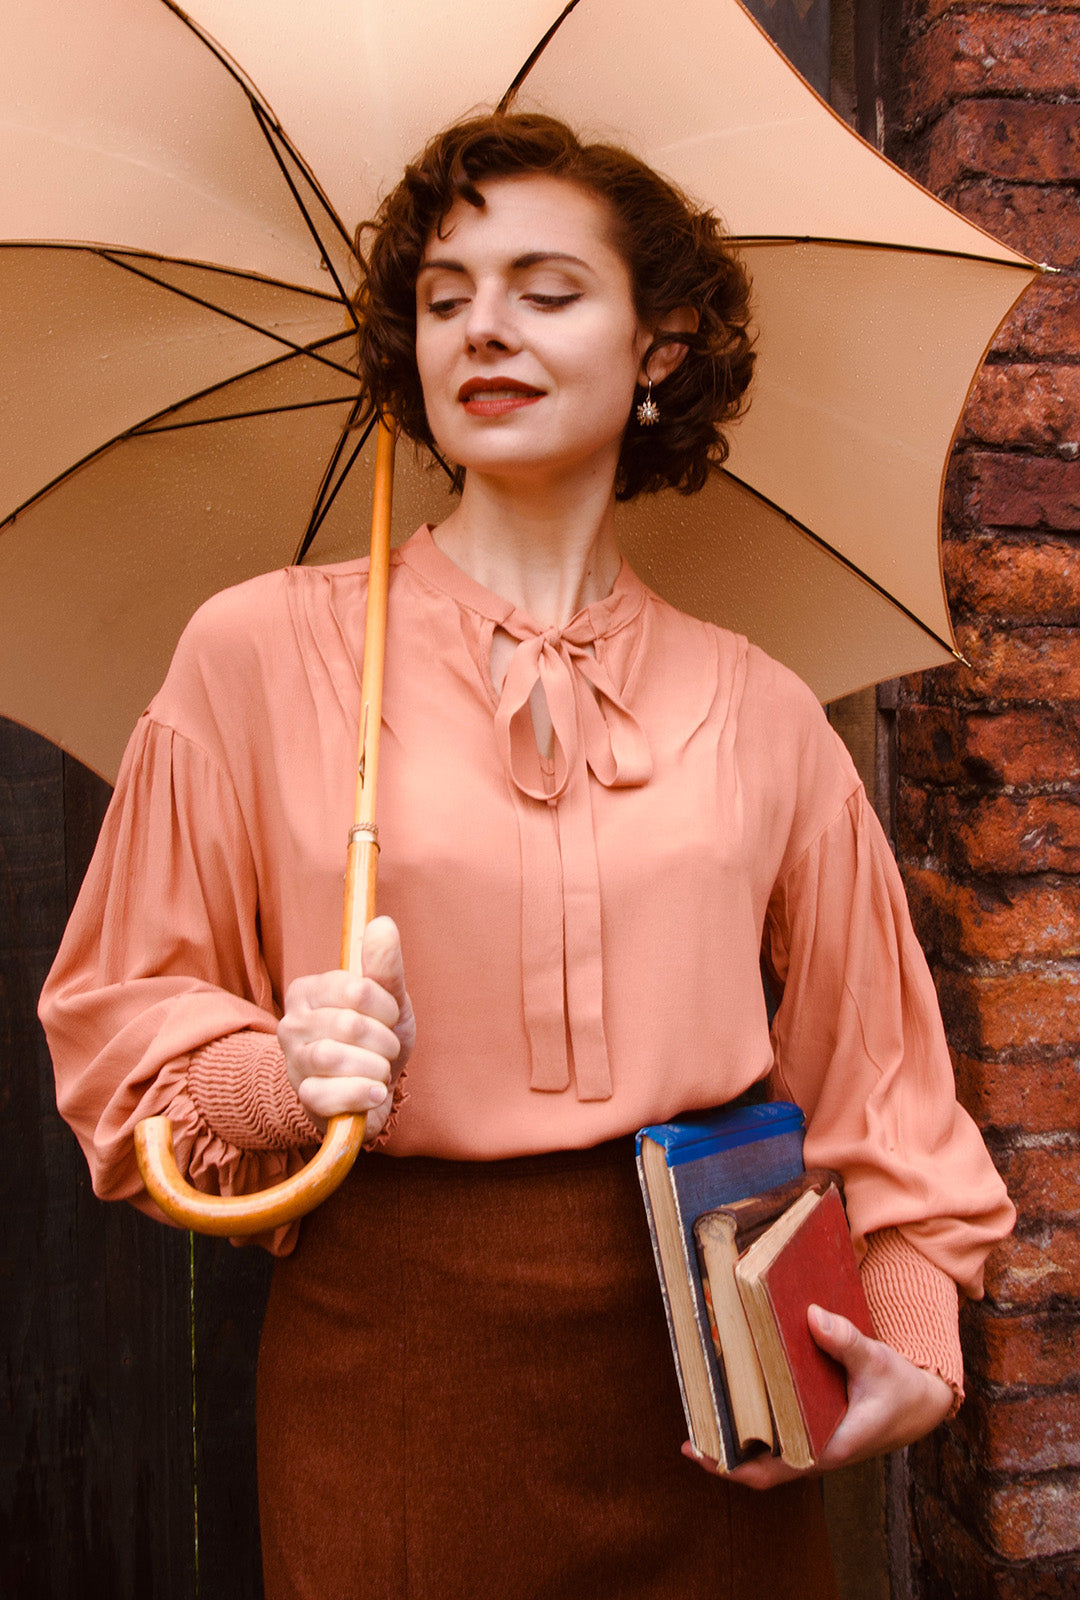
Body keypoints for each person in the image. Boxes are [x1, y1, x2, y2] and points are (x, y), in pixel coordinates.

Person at [40, 113, 1014, 1599]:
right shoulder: (264, 651)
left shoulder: (758, 709)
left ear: (662, 348)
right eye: (443, 298)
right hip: (396, 1382)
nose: (482, 327)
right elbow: (120, 1022)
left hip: (721, 1388)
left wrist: (908, 1334)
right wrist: (276, 1074)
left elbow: (884, 1088)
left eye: (546, 291)